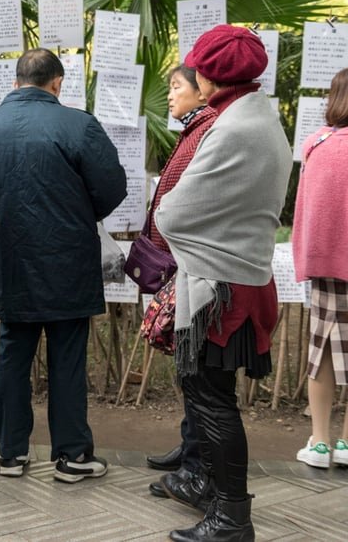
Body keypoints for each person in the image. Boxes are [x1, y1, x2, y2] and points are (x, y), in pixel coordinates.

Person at [0, 48, 126, 484]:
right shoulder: (79, 125)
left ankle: (11, 454)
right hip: (68, 259)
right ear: (57, 84)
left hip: (10, 259)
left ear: (15, 83)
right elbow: (112, 188)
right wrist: (77, 211)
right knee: (67, 359)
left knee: (12, 355)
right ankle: (73, 457)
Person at [156, 25, 292, 541]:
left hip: (221, 289)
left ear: (212, 76)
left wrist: (174, 224)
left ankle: (233, 517)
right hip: (242, 278)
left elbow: (174, 214)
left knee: (213, 402)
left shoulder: (233, 127)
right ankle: (211, 490)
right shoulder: (259, 116)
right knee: (213, 396)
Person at [144, 66, 218, 509]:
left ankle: (195, 462)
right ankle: (189, 447)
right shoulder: (193, 129)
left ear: (203, 91)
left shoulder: (207, 130)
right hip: (179, 263)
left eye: (177, 87)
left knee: (196, 367)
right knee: (188, 366)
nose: (170, 95)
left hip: (192, 264)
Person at [291, 67, 348, 470]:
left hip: (326, 266)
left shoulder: (317, 143)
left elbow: (304, 210)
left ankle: (321, 443)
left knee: (322, 351)